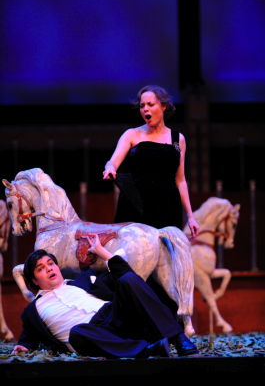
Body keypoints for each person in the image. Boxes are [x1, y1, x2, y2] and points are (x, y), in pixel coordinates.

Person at [12, 233, 198, 358]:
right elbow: (28, 336)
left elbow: (128, 276)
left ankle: (178, 338)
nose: (49, 268)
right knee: (77, 332)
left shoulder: (83, 280)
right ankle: (148, 350)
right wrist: (23, 347)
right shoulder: (34, 310)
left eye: (50, 263)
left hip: (114, 315)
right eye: (41, 268)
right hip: (90, 334)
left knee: (127, 280)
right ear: (35, 280)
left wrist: (103, 253)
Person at [103, 85, 199, 236]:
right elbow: (112, 162)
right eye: (142, 106)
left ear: (163, 106)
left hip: (167, 206)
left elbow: (180, 180)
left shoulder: (178, 139)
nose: (145, 109)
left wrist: (191, 217)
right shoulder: (132, 134)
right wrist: (110, 168)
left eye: (150, 104)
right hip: (136, 204)